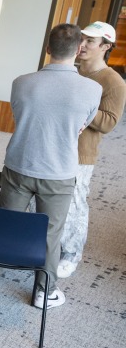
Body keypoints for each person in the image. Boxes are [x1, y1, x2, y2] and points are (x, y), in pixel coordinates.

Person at [0, 23, 101, 309]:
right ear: (78, 50)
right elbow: (83, 125)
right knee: (51, 234)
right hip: (59, 173)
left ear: (48, 49)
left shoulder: (21, 82)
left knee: (6, 223)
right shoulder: (92, 89)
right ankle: (44, 292)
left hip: (19, 165)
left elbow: (20, 114)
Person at [57, 21, 126, 278]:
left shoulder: (113, 82)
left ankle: (71, 254)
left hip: (81, 154)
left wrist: (80, 103)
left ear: (105, 47)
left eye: (90, 41)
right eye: (81, 38)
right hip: (55, 146)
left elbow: (108, 122)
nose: (82, 45)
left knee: (75, 203)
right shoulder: (69, 71)